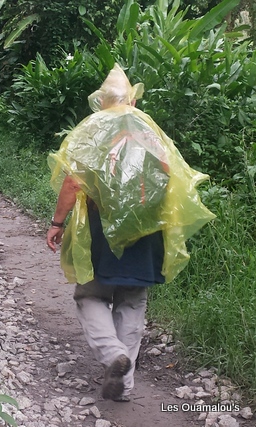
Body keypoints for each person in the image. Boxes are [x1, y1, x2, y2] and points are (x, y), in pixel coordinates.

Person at [45, 64, 215, 402]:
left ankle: (112, 356)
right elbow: (170, 177)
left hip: (101, 230)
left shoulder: (93, 131)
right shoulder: (151, 132)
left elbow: (73, 181)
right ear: (133, 102)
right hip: (146, 231)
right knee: (133, 300)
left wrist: (58, 222)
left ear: (101, 102)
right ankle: (125, 384)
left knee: (91, 294)